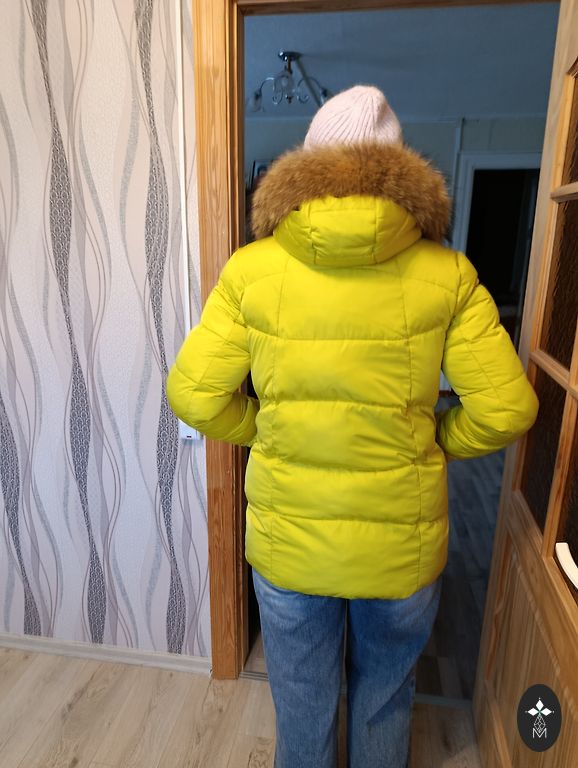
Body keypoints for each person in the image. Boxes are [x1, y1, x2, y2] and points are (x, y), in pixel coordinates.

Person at [166, 85, 538, 768]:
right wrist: (437, 439)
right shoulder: (448, 274)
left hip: (289, 544)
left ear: (305, 168)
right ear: (399, 174)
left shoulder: (252, 271)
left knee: (302, 703)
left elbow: (192, 394)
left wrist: (260, 429)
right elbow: (508, 408)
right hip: (400, 550)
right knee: (386, 698)